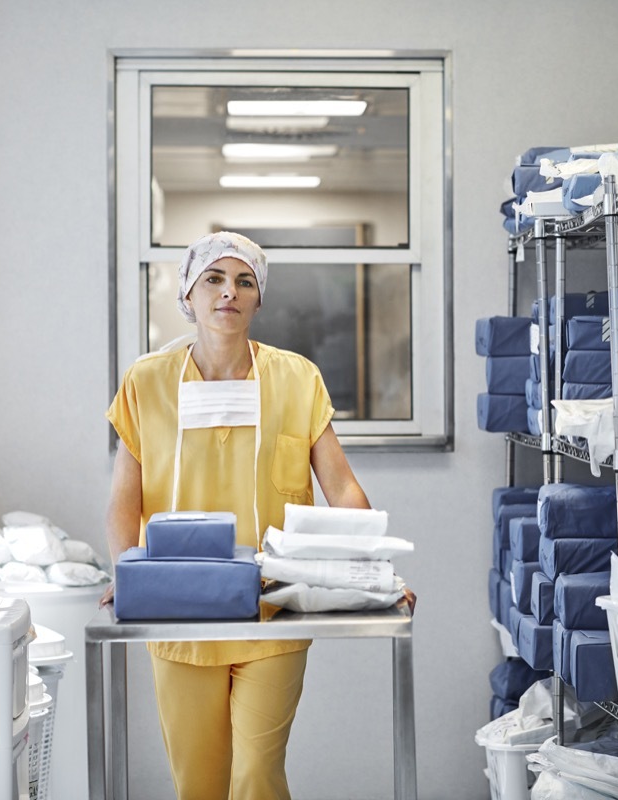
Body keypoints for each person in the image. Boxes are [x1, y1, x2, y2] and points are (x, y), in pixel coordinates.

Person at [101, 231, 403, 800]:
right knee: (199, 784)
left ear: (259, 298)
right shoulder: (147, 382)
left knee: (256, 776)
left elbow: (341, 487)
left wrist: (375, 573)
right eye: (213, 279)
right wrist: (127, 574)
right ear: (188, 295)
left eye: (244, 282)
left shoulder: (297, 378)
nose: (229, 292)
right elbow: (125, 498)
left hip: (272, 607)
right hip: (179, 609)